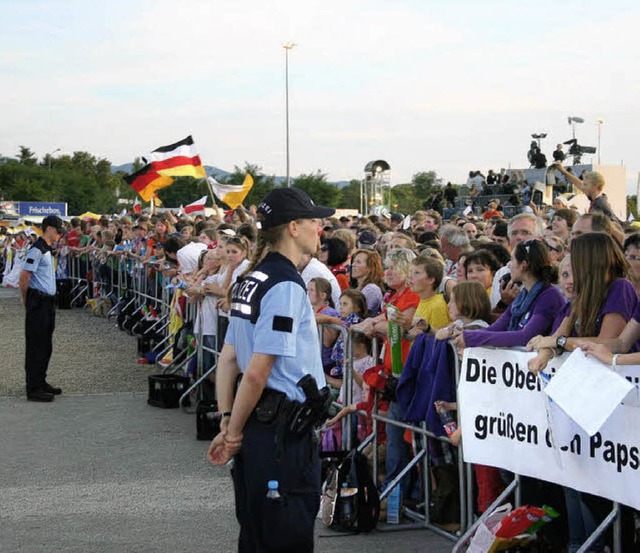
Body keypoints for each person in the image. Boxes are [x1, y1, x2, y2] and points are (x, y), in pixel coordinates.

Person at [207, 187, 334, 552]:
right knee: (283, 536)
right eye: (314, 221)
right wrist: (231, 431)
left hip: (260, 425)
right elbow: (256, 371)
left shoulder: (252, 278)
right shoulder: (284, 285)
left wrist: (229, 418)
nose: (319, 229)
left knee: (257, 534)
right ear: (293, 227)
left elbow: (228, 358)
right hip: (281, 436)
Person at [452, 239, 566, 349]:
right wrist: (463, 333)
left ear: (523, 265)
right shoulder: (523, 295)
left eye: (512, 260)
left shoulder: (549, 297)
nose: (509, 265)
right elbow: (496, 328)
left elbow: (525, 337)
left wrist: (473, 337)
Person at [19, 215, 65, 402]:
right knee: (36, 345)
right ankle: (33, 387)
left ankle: (41, 381)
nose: (60, 234)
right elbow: (24, 277)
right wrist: (25, 300)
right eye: (59, 230)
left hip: (48, 302)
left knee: (46, 345)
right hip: (38, 302)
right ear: (50, 229)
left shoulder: (46, 249)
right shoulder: (36, 250)